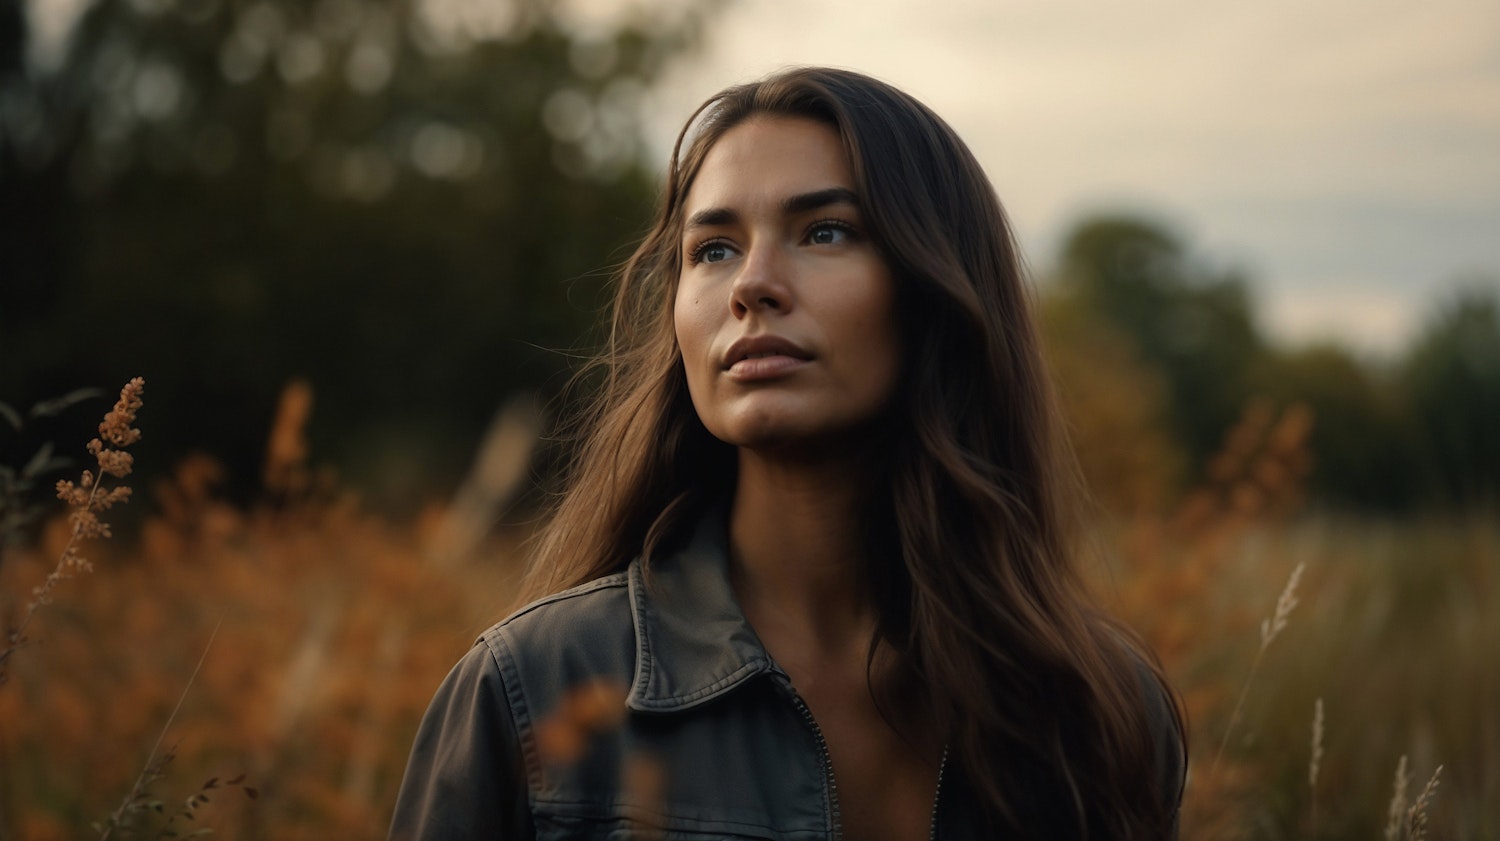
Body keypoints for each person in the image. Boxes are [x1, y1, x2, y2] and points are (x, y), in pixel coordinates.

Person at [390, 66, 1186, 840]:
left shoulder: (1097, 713)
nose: (753, 285)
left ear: (937, 288)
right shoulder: (531, 689)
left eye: (825, 231)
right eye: (713, 249)